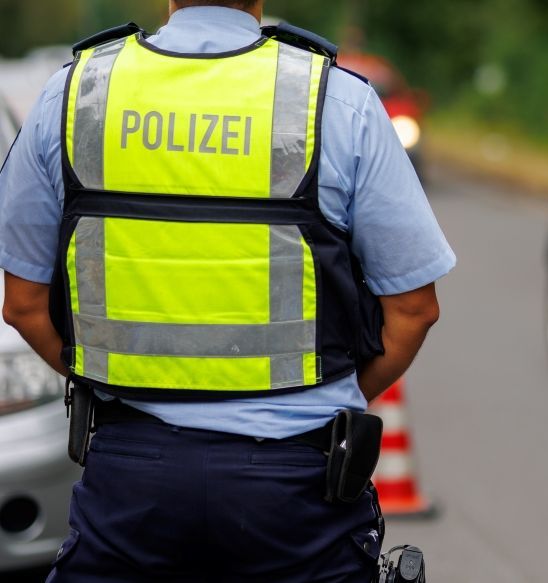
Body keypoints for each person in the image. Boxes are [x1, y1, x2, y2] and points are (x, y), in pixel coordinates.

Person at [0, 0, 454, 580]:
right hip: (297, 489)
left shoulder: (77, 93)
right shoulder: (336, 100)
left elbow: (22, 303)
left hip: (129, 485)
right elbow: (414, 309)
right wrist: (324, 395)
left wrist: (115, 377)